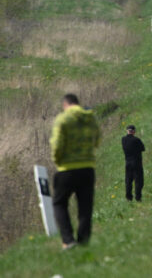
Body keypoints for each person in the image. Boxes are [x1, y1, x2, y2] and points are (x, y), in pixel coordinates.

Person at [50, 94, 100, 250]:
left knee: (59, 203)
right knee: (85, 206)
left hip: (67, 169)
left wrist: (57, 160)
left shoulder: (62, 119)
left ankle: (68, 240)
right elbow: (97, 140)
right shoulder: (90, 118)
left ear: (65, 105)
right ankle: (83, 241)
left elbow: (57, 144)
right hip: (87, 168)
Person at [122, 125, 145, 202]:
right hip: (137, 163)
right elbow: (143, 148)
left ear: (127, 131)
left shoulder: (123, 140)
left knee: (128, 180)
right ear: (134, 131)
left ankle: (129, 197)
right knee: (138, 180)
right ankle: (138, 197)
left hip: (128, 162)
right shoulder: (136, 140)